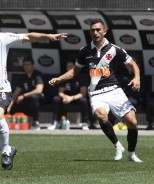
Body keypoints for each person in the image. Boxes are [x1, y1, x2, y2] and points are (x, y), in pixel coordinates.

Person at [0, 10, 67, 170]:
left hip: (1, 89)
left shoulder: (2, 39)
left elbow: (28, 36)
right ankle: (7, 149)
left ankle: (6, 151)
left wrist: (49, 36)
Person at [49, 18, 143, 162]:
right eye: (92, 30)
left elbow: (133, 64)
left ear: (104, 31)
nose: (95, 32)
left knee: (132, 121)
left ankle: (131, 154)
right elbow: (75, 71)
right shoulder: (84, 51)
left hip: (114, 90)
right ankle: (117, 145)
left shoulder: (114, 49)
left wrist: (137, 78)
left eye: (98, 29)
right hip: (96, 92)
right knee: (101, 115)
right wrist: (59, 79)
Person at [47, 60, 89, 130]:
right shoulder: (64, 77)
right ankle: (55, 122)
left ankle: (85, 123)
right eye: (68, 67)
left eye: (71, 67)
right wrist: (65, 97)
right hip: (66, 99)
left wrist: (71, 98)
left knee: (84, 100)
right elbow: (60, 92)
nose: (69, 68)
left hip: (76, 98)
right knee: (56, 99)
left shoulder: (81, 77)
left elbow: (83, 93)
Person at [7, 57, 46, 130]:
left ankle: (36, 122)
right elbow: (16, 93)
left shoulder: (37, 74)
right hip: (28, 99)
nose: (26, 66)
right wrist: (9, 106)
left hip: (40, 98)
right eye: (24, 65)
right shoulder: (23, 77)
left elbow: (39, 90)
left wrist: (24, 95)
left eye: (28, 64)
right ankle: (12, 122)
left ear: (33, 65)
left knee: (33, 97)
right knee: (18, 101)